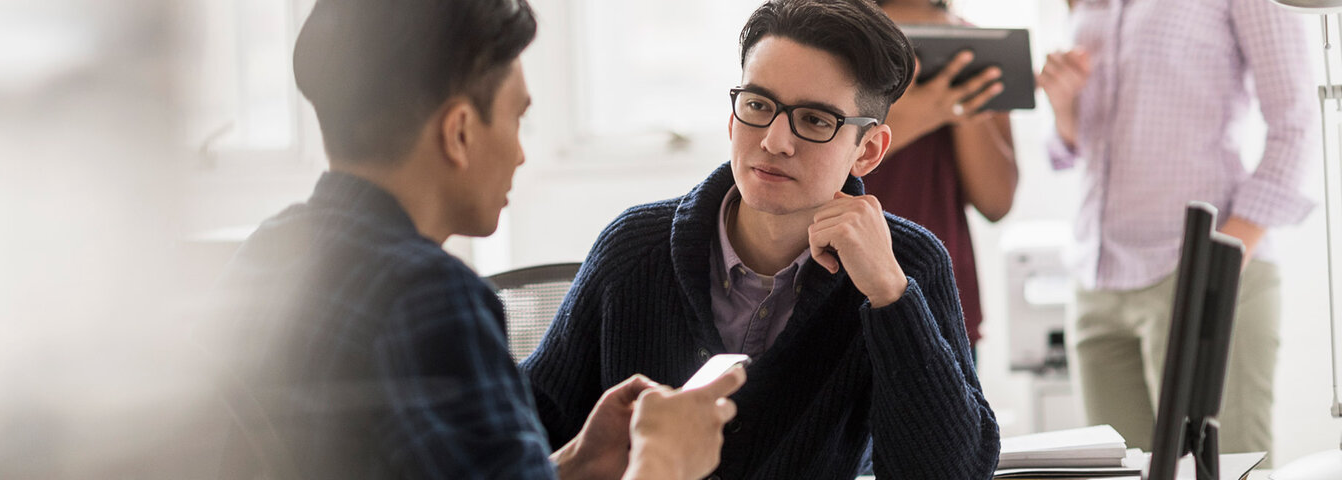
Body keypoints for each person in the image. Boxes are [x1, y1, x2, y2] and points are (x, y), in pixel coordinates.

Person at [205, 0, 745, 478]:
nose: (520, 153)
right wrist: (665, 460)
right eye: (518, 119)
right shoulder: (426, 297)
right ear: (460, 132)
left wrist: (576, 463)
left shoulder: (266, 252)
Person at [520, 1, 1000, 478]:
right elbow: (520, 432)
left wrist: (891, 298)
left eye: (814, 120)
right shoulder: (632, 248)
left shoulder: (906, 265)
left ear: (868, 151)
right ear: (733, 119)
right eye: (758, 105)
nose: (774, 141)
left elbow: (953, 472)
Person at [1037, 0, 1314, 458]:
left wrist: (1219, 262)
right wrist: (1063, 106)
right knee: (1119, 470)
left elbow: (1296, 123)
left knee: (1224, 469)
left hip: (1200, 271)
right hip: (1098, 280)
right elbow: (1087, 144)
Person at [868, 0, 1018, 359]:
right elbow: (817, 163)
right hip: (843, 294)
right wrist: (927, 110)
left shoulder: (977, 50)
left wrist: (964, 107)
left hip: (943, 304)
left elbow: (996, 202)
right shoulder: (829, 41)